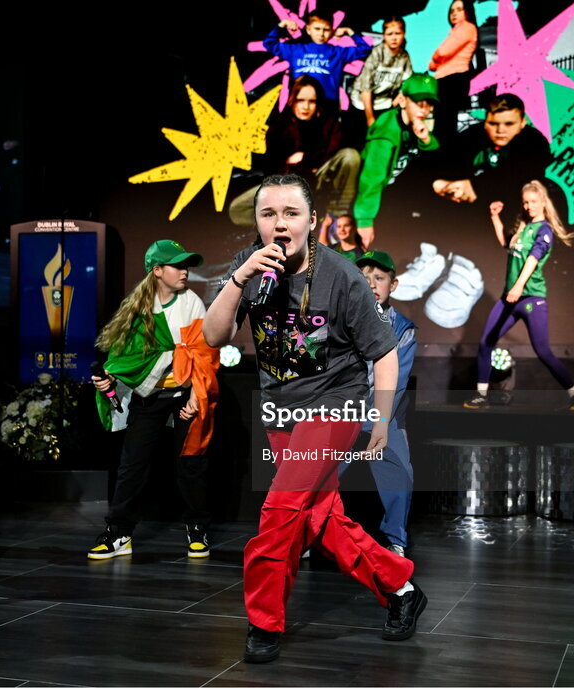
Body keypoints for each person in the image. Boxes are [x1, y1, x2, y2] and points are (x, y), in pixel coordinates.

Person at [203, 173, 426, 664]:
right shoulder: (249, 265)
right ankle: (402, 588)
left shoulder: (342, 275)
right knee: (323, 519)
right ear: (257, 221)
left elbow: (384, 354)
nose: (279, 224)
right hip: (281, 409)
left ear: (310, 221)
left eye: (290, 214)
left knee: (279, 511)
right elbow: (215, 336)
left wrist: (383, 421)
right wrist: (239, 280)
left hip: (335, 404)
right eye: (268, 214)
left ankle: (263, 622)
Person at [87, 240, 219, 560]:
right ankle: (120, 533)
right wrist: (108, 378)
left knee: (191, 464)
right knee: (132, 466)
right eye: (177, 265)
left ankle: (196, 528)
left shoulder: (191, 303)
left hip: (185, 396)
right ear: (157, 271)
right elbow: (123, 361)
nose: (185, 270)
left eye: (186, 264)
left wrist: (193, 395)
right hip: (148, 396)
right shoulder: (136, 310)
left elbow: (203, 356)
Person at [464, 180, 574, 410]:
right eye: (526, 202)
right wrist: (494, 216)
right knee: (486, 342)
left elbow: (533, 259)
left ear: (543, 203)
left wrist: (518, 286)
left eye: (533, 202)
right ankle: (481, 395)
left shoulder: (544, 229)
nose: (529, 206)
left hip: (531, 299)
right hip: (509, 298)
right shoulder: (524, 228)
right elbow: (506, 243)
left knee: (543, 351)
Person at [348, 250, 416, 556]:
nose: (372, 284)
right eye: (365, 278)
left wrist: (377, 422)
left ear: (394, 284)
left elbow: (396, 385)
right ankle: (307, 534)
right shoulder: (340, 319)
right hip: (342, 412)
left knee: (400, 469)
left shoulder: (403, 328)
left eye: (380, 278)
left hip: (383, 414)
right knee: (311, 468)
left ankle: (395, 540)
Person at [228, 77, 359, 229]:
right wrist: (294, 167)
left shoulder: (329, 123)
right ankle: (290, 221)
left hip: (320, 181)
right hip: (289, 185)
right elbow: (272, 167)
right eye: (301, 100)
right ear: (292, 100)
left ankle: (336, 218)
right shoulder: (280, 126)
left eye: (312, 101)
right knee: (237, 210)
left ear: (318, 103)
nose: (306, 106)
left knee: (350, 156)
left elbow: (332, 154)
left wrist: (303, 158)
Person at [432, 93, 552, 230]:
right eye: (493, 123)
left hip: (514, 219)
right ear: (485, 122)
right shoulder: (472, 135)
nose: (500, 130)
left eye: (509, 124)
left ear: (522, 123)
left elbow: (517, 177)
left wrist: (474, 186)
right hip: (468, 218)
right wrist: (440, 183)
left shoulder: (535, 142)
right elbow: (444, 162)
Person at [354, 73, 440, 247]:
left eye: (429, 103)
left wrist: (426, 140)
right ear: (403, 100)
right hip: (379, 196)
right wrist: (365, 221)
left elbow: (438, 163)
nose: (424, 109)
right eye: (418, 102)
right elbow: (371, 179)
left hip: (399, 193)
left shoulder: (415, 125)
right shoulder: (387, 133)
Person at [263, 12, 372, 110]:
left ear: (332, 31)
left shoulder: (338, 52)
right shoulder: (296, 50)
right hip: (300, 102)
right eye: (317, 29)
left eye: (326, 30)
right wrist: (281, 25)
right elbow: (269, 43)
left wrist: (350, 32)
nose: (321, 33)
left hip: (327, 103)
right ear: (308, 30)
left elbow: (365, 49)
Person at [346, 16, 413, 143]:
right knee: (359, 141)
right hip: (362, 105)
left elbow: (407, 82)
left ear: (404, 33)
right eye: (389, 34)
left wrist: (398, 98)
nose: (394, 38)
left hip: (384, 104)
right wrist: (370, 118)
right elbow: (365, 89)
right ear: (384, 35)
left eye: (398, 33)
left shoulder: (404, 57)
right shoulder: (376, 53)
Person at [428, 0, 478, 147]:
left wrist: (437, 58)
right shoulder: (456, 31)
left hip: (453, 80)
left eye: (459, 9)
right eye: (452, 10)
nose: (454, 13)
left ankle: (444, 160)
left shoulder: (467, 27)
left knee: (445, 125)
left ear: (467, 12)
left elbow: (441, 52)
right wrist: (437, 60)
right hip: (447, 80)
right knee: (443, 123)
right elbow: (432, 65)